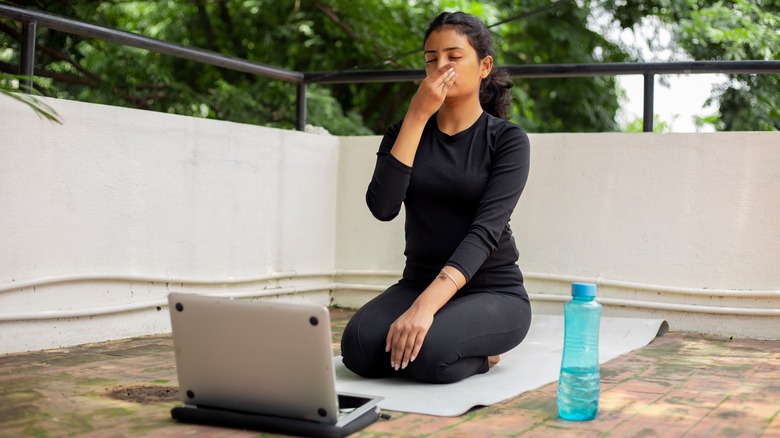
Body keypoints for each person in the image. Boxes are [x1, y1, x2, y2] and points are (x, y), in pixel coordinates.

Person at [340, 11, 532, 384]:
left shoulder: (507, 141)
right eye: (431, 59)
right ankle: (443, 334)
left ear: (483, 66)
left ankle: (486, 354)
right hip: (417, 281)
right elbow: (383, 208)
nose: (440, 66)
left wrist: (425, 309)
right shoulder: (405, 131)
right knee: (359, 348)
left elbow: (485, 232)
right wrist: (416, 115)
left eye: (453, 56)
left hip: (492, 291)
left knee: (427, 356)